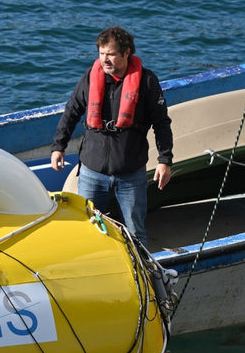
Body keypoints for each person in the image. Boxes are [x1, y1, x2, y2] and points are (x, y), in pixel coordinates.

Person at [50, 26, 173, 247]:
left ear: (127, 53)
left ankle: (142, 274)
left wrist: (165, 160)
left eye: (111, 54)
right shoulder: (90, 77)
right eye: (101, 54)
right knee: (88, 229)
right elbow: (72, 111)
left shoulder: (146, 82)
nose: (105, 60)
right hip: (92, 172)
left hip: (130, 174)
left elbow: (161, 123)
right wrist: (58, 146)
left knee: (135, 232)